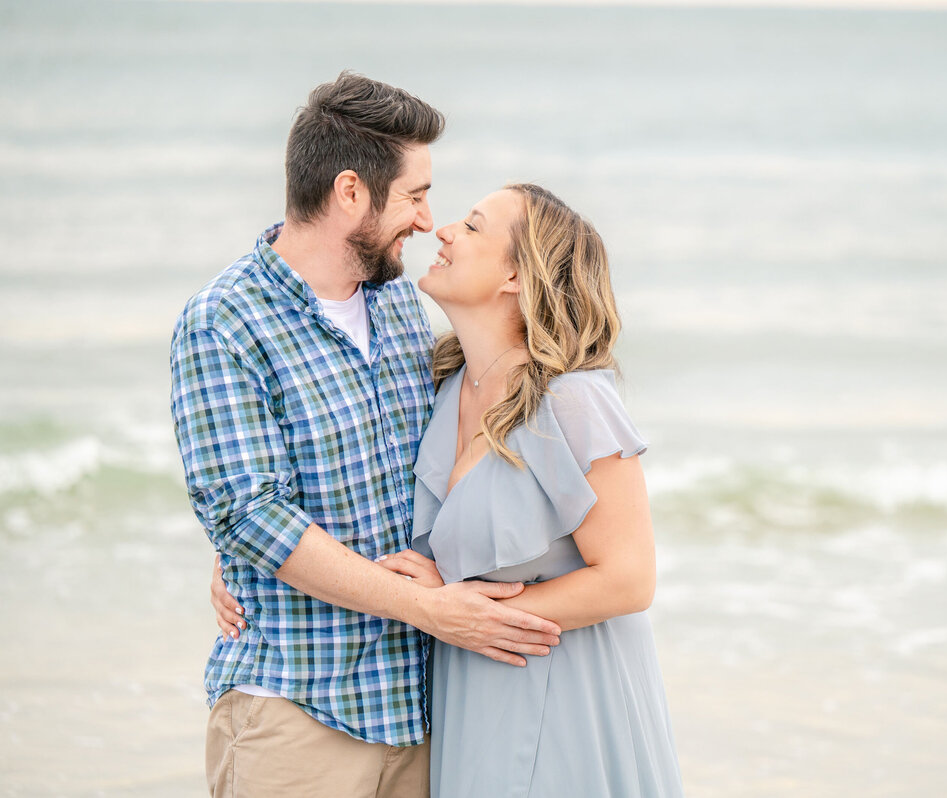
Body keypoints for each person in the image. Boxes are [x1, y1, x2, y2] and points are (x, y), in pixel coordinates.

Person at [172, 72, 560, 798]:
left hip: (421, 710)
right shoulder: (224, 320)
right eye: (415, 195)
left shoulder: (401, 305)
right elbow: (251, 513)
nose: (426, 219)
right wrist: (244, 550)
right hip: (297, 713)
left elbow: (460, 462)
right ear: (350, 192)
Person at [375, 183, 684, 795]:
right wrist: (241, 557)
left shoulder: (570, 398)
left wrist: (467, 614)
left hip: (570, 695)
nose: (443, 232)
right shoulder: (438, 387)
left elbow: (629, 578)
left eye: (472, 226)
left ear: (515, 274)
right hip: (473, 699)